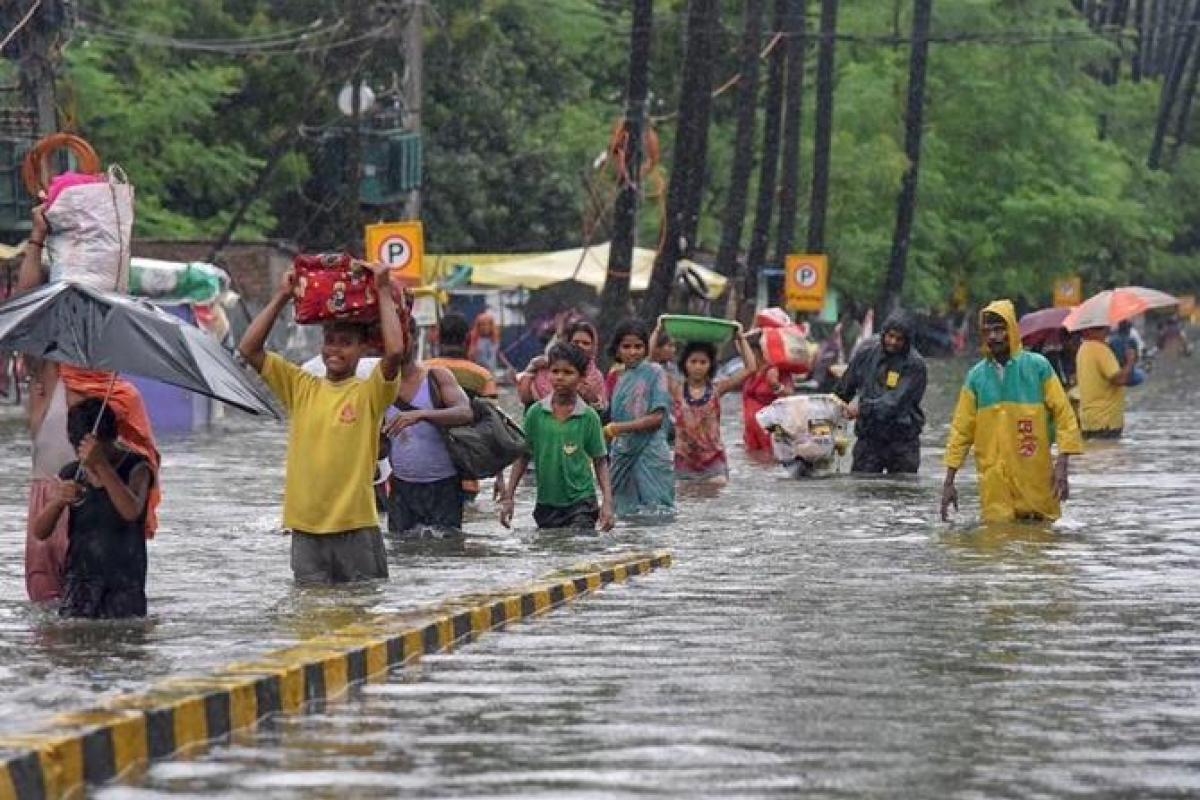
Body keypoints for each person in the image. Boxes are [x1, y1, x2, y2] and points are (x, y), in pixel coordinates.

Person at [238, 263, 403, 584]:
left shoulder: (369, 392)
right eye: (330, 341)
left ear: (363, 349)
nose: (334, 350)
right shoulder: (301, 386)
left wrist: (383, 290)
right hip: (305, 530)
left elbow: (395, 352)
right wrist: (282, 295)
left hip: (355, 527)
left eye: (345, 343)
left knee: (362, 616)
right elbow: (249, 349)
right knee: (310, 617)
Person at [940, 300, 1083, 523]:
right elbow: (961, 431)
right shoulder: (976, 378)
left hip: (1035, 477)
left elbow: (1064, 415)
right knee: (997, 541)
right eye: (988, 331)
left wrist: (1062, 464)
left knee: (1043, 539)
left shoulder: (1038, 367)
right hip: (994, 483)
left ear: (1013, 330)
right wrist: (949, 481)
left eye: (1000, 329)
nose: (994, 336)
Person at [30, 398, 153, 618]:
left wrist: (102, 465)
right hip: (80, 582)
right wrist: (58, 501)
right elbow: (40, 532)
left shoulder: (137, 468)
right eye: (82, 453)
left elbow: (131, 511)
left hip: (124, 585)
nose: (87, 460)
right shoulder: (72, 473)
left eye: (99, 451)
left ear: (113, 439)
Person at [499, 342, 614, 531]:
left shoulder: (588, 416)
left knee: (579, 546)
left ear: (581, 377)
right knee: (551, 552)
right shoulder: (536, 413)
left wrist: (608, 503)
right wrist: (509, 497)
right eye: (555, 371)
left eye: (568, 373)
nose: (560, 378)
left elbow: (600, 461)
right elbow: (523, 456)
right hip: (547, 504)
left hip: (582, 502)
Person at [382, 320, 474, 537]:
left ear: (414, 339)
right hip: (401, 488)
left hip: (444, 486)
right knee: (403, 555)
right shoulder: (379, 384)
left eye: (404, 337)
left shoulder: (437, 377)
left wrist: (423, 415)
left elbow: (465, 412)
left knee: (445, 554)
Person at [834, 310, 927, 474]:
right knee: (862, 490)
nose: (893, 342)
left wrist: (861, 408)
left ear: (907, 341)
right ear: (883, 333)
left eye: (899, 339)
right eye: (890, 336)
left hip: (902, 443)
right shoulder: (866, 352)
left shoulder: (915, 366)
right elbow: (843, 390)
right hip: (869, 439)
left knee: (902, 493)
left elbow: (894, 403)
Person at [425, 311, 502, 501]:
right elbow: (494, 428)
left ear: (437, 338)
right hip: (467, 474)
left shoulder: (421, 371)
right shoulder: (482, 376)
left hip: (423, 471)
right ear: (468, 339)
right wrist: (499, 477)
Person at [605, 319, 675, 516]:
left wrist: (618, 428)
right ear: (617, 350)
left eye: (638, 346)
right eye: (626, 346)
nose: (633, 352)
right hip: (622, 455)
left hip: (651, 454)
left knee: (657, 514)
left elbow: (657, 418)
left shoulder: (655, 372)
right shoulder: (618, 379)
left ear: (646, 349)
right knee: (623, 514)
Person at [672, 327, 756, 483]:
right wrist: (658, 330)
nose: (698, 366)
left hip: (713, 461)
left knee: (717, 493)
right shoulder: (676, 389)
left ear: (710, 365)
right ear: (685, 364)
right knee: (685, 499)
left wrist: (740, 338)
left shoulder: (717, 389)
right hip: (684, 460)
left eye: (703, 362)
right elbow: (650, 364)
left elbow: (750, 368)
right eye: (693, 362)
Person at [517, 319, 608, 413]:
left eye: (586, 343)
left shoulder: (596, 378)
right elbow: (526, 399)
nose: (580, 346)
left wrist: (592, 399)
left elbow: (602, 412)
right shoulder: (546, 367)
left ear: (593, 347)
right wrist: (531, 368)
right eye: (576, 342)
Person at [741, 333, 795, 454]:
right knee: (752, 460)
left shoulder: (773, 370)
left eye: (751, 353)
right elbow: (739, 343)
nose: (748, 357)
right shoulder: (750, 371)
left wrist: (776, 385)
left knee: (768, 458)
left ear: (760, 353)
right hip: (750, 430)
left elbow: (790, 393)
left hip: (768, 429)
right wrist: (740, 334)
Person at [1076, 324, 1133, 439]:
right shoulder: (1100, 349)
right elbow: (1119, 379)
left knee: (1093, 454)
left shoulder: (1083, 349)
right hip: (1106, 421)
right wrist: (1130, 362)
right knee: (1108, 454)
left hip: (1089, 420)